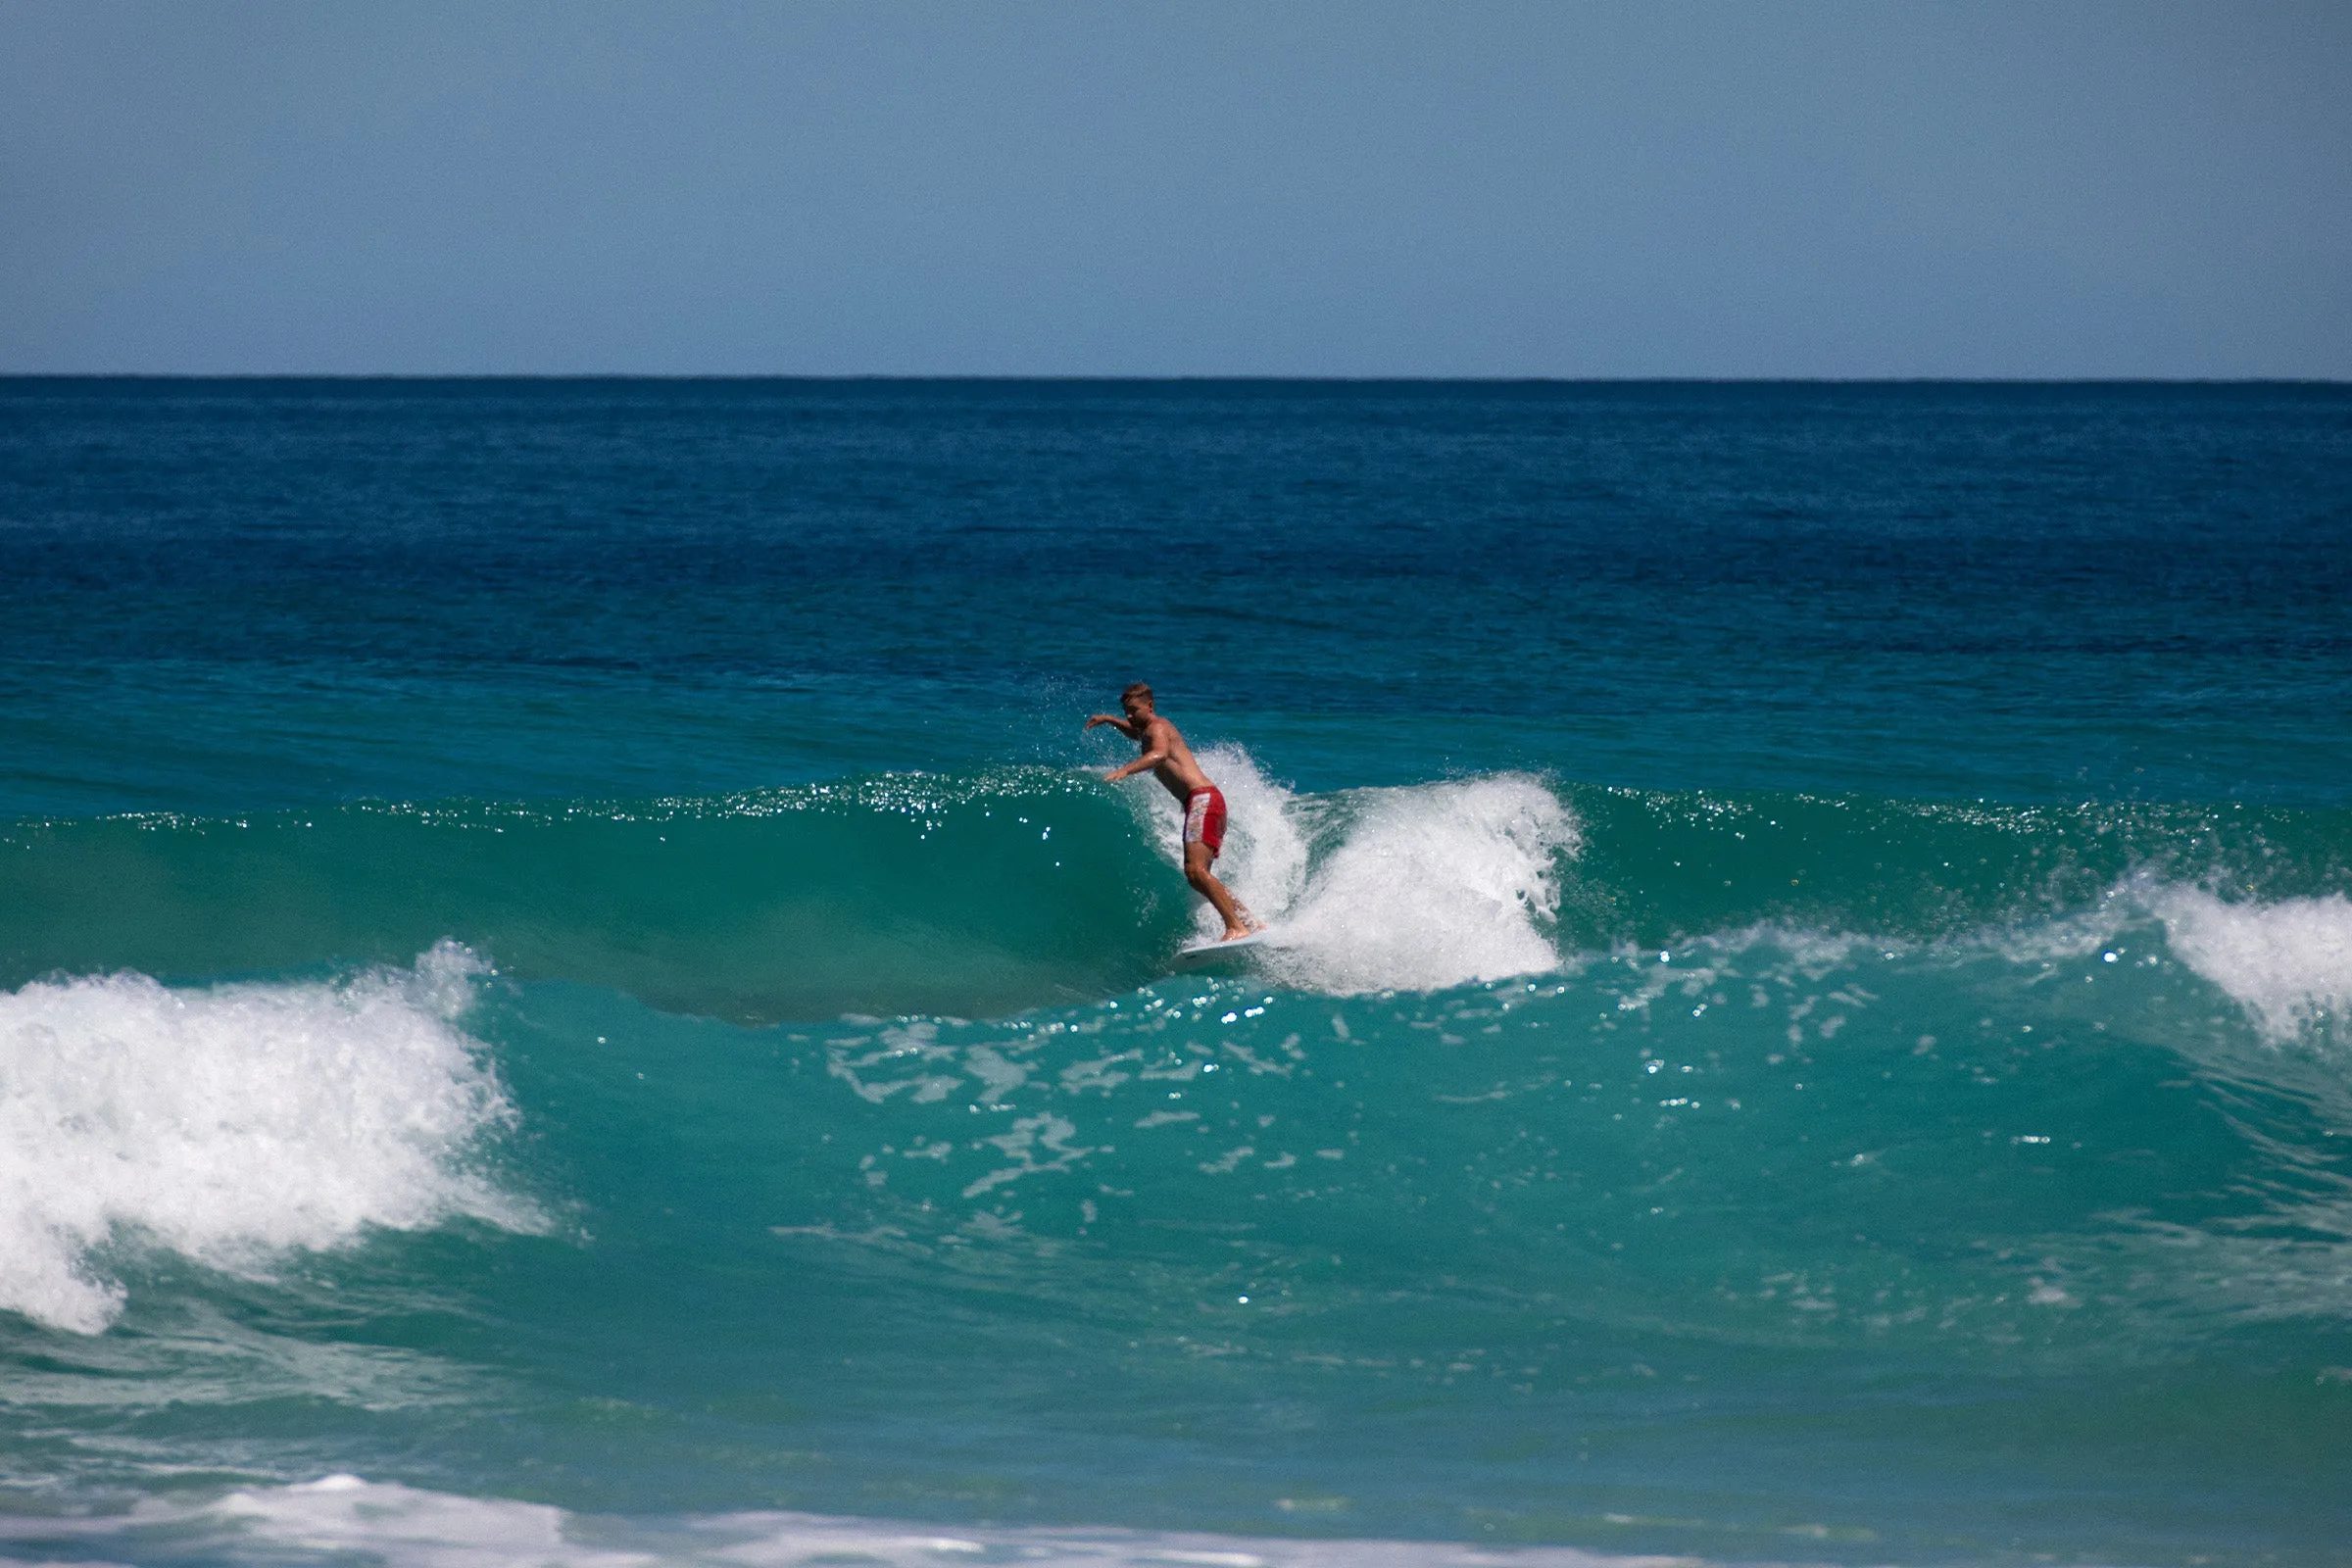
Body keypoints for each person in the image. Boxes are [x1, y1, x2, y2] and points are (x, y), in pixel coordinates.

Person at [1086, 682, 1259, 941]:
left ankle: (1236, 927)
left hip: (1202, 800)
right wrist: (1110, 720)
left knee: (1195, 871)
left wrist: (1126, 769)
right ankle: (1249, 922)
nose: (1130, 716)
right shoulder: (1148, 730)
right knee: (1198, 875)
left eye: (1134, 710)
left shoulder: (1158, 727)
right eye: (1126, 712)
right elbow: (1137, 734)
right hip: (1203, 801)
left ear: (1151, 706)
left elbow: (1158, 754)